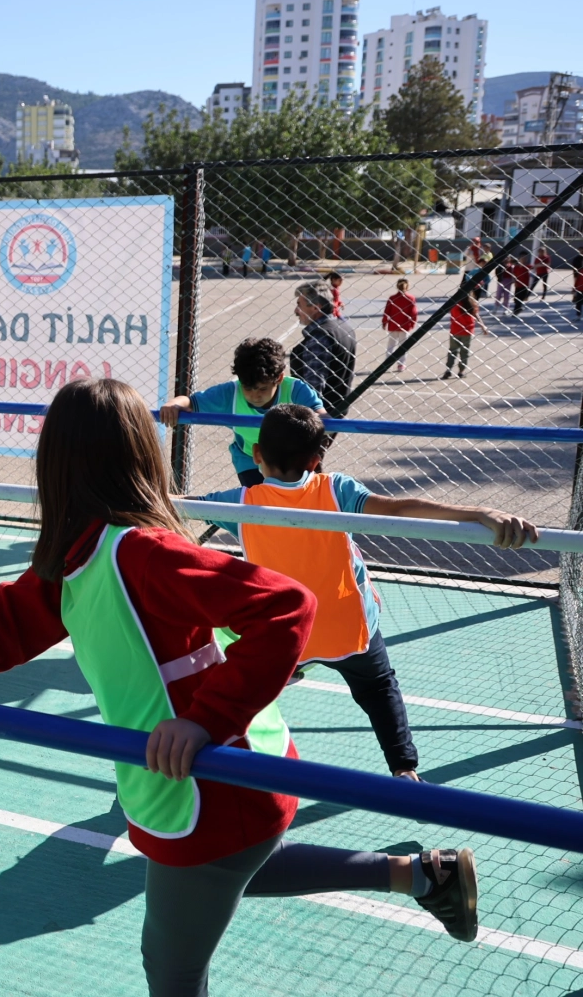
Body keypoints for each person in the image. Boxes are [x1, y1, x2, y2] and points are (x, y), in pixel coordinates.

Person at [0, 378, 482, 996]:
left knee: (171, 971)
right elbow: (7, 620)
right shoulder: (77, 554)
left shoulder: (141, 553)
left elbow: (287, 608)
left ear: (58, 462)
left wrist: (204, 720)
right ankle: (423, 876)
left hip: (210, 784)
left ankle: (423, 877)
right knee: (245, 865)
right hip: (226, 780)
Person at [199, 403, 537, 778]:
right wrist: (477, 512)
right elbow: (399, 509)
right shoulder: (336, 489)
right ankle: (404, 770)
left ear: (257, 454)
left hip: (288, 632)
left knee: (243, 681)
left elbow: (174, 506)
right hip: (348, 627)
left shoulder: (238, 503)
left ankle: (212, 751)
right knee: (378, 690)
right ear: (315, 460)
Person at [158, 338, 323, 488]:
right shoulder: (230, 393)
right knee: (260, 504)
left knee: (301, 504)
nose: (255, 395)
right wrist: (173, 404)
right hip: (250, 459)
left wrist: (322, 420)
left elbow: (321, 416)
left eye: (262, 389)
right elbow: (190, 402)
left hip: (291, 458)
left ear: (279, 378)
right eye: (248, 388)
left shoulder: (296, 390)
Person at [287, 280, 356, 411]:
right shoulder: (344, 327)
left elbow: (312, 388)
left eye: (299, 305)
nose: (296, 311)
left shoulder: (319, 336)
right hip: (336, 410)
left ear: (315, 307)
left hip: (316, 417)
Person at [442, 290, 480, 380]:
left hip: (455, 330)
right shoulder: (473, 304)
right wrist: (482, 326)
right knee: (464, 352)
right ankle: (461, 371)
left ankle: (448, 370)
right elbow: (476, 315)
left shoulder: (455, 304)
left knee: (452, 351)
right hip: (467, 331)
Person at [381, 279, 417, 372]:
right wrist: (413, 323)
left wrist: (384, 322)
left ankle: (387, 363)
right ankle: (401, 364)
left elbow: (387, 311)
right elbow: (413, 313)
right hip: (405, 325)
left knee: (391, 345)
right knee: (403, 346)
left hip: (393, 325)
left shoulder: (392, 298)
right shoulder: (410, 298)